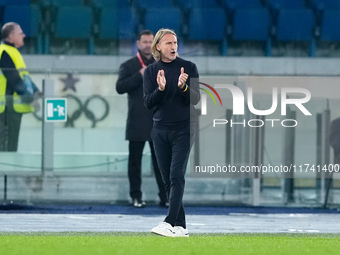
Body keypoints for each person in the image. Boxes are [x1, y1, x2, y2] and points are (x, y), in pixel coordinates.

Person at [143, 28, 200, 237]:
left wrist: (183, 87)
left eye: (175, 42)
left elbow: (195, 99)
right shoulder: (151, 72)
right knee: (168, 179)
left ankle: (168, 222)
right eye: (168, 43)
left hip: (183, 128)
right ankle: (181, 226)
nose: (173, 46)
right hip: (159, 129)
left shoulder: (189, 67)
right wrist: (160, 89)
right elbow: (148, 103)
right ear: (158, 46)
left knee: (177, 175)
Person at [116, 30, 167, 208]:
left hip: (158, 121)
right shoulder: (129, 65)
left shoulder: (162, 65)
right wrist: (140, 74)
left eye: (150, 41)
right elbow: (120, 87)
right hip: (137, 121)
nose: (147, 44)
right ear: (138, 44)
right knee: (135, 163)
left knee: (161, 163)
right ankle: (136, 196)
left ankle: (165, 197)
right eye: (144, 42)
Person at [0, 22, 40, 152]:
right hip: (6, 108)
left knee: (10, 145)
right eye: (20, 33)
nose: (24, 35)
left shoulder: (14, 52)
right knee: (7, 147)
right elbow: (14, 80)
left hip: (10, 108)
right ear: (11, 36)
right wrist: (30, 98)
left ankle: (8, 172)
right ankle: (6, 172)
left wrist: (36, 91)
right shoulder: (4, 52)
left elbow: (24, 77)